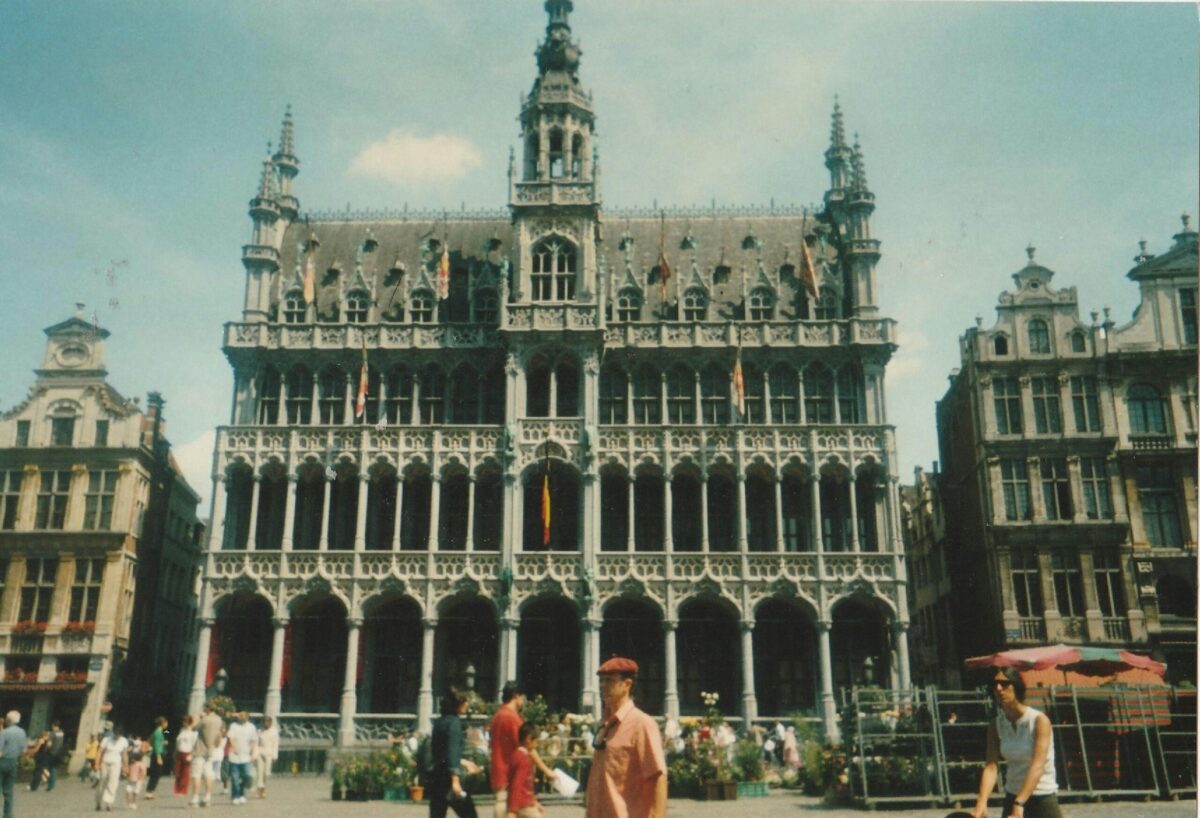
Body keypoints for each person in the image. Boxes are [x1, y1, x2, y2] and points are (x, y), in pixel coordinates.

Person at [972, 668, 1061, 818]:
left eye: (1004, 683)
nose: (999, 688)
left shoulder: (1039, 721)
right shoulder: (996, 725)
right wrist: (981, 802)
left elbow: (1037, 766)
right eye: (995, 685)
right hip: (1012, 795)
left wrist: (1019, 803)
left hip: (1042, 796)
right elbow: (991, 766)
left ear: (1017, 686)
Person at [585, 657, 667, 818]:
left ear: (627, 685)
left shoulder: (641, 724)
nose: (602, 686)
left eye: (609, 680)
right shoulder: (606, 724)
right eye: (601, 681)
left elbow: (658, 775)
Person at [489, 682, 554, 818]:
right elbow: (528, 747)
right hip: (510, 779)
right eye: (522, 698)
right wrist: (546, 770)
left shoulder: (497, 716)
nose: (523, 701)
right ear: (516, 696)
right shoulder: (512, 718)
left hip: (499, 778)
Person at [429, 688, 478, 818]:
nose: (467, 705)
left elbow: (441, 752)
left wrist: (463, 761)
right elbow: (452, 750)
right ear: (458, 704)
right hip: (449, 780)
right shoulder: (454, 723)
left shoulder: (439, 722)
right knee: (470, 815)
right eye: (465, 702)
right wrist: (455, 780)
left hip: (437, 777)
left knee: (437, 814)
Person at [505, 723, 543, 818]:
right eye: (536, 742)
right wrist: (512, 810)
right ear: (529, 739)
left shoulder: (515, 755)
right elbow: (517, 784)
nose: (537, 745)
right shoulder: (524, 759)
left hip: (521, 802)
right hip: (524, 805)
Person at [191, 703, 225, 807]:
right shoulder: (219, 720)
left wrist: (198, 717)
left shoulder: (205, 720)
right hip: (211, 750)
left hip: (200, 749)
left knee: (196, 774)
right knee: (208, 774)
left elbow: (194, 728)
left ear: (208, 709)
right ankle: (207, 797)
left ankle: (195, 797)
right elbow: (220, 734)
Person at [95, 724, 129, 812]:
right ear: (114, 732)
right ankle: (98, 802)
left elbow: (124, 754)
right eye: (116, 733)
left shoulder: (124, 741)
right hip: (105, 763)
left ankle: (109, 803)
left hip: (116, 764)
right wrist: (96, 763)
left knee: (113, 783)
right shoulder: (106, 740)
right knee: (102, 782)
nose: (117, 735)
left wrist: (126, 766)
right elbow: (100, 751)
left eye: (119, 734)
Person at [225, 711, 257, 805]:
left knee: (246, 775)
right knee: (235, 777)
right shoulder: (234, 726)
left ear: (247, 717)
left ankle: (242, 794)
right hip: (234, 756)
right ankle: (235, 796)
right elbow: (230, 738)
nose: (240, 717)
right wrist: (234, 747)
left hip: (246, 756)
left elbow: (254, 740)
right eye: (240, 715)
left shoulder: (251, 727)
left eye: (242, 716)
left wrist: (252, 751)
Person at [0, 712, 27, 818]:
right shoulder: (22, 732)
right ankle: (7, 814)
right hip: (13, 762)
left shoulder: (5, 733)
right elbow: (23, 749)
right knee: (9, 790)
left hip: (2, 761)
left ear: (8, 720)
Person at [254, 716, 278, 799]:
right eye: (264, 722)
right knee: (259, 772)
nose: (266, 724)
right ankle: (260, 790)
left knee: (266, 773)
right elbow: (256, 743)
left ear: (271, 723)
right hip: (260, 753)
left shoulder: (274, 732)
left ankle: (264, 788)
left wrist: (275, 756)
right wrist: (255, 755)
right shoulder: (259, 731)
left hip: (269, 753)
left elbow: (275, 744)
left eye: (267, 722)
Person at [145, 716, 168, 799]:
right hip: (157, 754)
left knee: (154, 774)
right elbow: (157, 745)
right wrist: (159, 757)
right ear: (162, 723)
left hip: (154, 754)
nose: (166, 724)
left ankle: (150, 791)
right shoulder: (158, 733)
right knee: (156, 774)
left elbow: (153, 742)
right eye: (165, 722)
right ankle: (150, 791)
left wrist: (163, 743)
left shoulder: (155, 732)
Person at [174, 716, 197, 796]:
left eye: (186, 722)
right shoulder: (181, 731)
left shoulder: (193, 733)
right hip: (179, 752)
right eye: (183, 721)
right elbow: (177, 742)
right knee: (178, 772)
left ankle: (183, 790)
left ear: (189, 723)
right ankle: (177, 789)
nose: (184, 723)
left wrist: (191, 755)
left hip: (187, 752)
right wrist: (175, 752)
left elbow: (194, 745)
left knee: (185, 772)